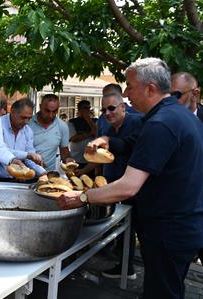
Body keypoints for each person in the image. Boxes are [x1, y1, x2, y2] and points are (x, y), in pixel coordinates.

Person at [58, 58, 203, 299]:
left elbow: (129, 186)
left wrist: (82, 196)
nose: (125, 93)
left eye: (130, 86)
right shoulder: (179, 116)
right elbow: (134, 144)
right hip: (186, 225)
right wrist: (107, 141)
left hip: (169, 229)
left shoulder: (162, 123)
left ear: (150, 89)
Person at [98, 92, 143, 280]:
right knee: (123, 229)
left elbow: (127, 147)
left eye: (111, 108)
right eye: (103, 110)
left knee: (136, 228)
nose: (107, 113)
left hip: (133, 189)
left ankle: (129, 268)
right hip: (114, 185)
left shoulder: (137, 122)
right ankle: (125, 266)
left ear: (123, 107)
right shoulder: (110, 129)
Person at [171, 72, 203, 266]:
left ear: (195, 93)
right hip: (178, 216)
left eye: (177, 95)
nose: (172, 101)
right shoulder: (167, 119)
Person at [0, 97, 45, 180]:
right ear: (12, 112)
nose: (26, 122)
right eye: (23, 117)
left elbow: (29, 157)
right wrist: (27, 155)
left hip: (18, 179)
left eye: (29, 118)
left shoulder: (28, 131)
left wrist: (42, 171)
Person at [28, 94, 74, 172]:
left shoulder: (62, 126)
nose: (50, 115)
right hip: (26, 173)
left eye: (54, 111)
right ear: (40, 106)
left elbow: (64, 152)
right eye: (47, 111)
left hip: (48, 174)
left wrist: (68, 160)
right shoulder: (28, 123)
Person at [67, 100, 97, 176]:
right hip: (77, 159)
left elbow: (97, 134)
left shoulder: (95, 121)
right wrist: (90, 134)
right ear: (79, 109)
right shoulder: (72, 122)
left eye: (89, 108)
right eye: (85, 108)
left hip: (92, 160)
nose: (87, 110)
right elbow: (74, 138)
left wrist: (88, 120)